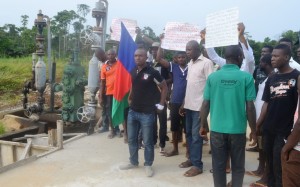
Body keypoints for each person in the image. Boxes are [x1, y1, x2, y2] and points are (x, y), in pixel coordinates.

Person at [200, 44, 256, 187]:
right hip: (237, 130)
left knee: (218, 166)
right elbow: (250, 107)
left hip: (217, 130)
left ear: (225, 58)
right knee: (238, 166)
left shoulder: (213, 77)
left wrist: (202, 126)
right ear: (239, 57)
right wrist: (254, 131)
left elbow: (205, 104)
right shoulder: (246, 77)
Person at [119, 48, 167, 177]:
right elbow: (134, 86)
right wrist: (130, 97)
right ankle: (133, 162)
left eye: (140, 56)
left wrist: (161, 104)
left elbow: (164, 87)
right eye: (135, 56)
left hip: (147, 113)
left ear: (146, 57)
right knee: (132, 139)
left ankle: (148, 165)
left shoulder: (152, 72)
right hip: (133, 112)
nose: (137, 58)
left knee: (148, 141)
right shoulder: (133, 71)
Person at [256, 44, 300, 187]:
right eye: (272, 55)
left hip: (285, 131)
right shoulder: (272, 78)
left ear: (286, 57)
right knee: (270, 165)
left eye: (276, 56)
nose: (272, 58)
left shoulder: (296, 77)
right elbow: (266, 104)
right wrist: (258, 124)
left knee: (279, 165)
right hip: (269, 129)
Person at [178, 40, 214, 177]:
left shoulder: (207, 63)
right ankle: (191, 159)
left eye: (189, 49)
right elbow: (190, 86)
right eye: (186, 49)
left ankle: (197, 165)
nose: (187, 52)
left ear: (197, 49)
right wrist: (183, 104)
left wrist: (207, 106)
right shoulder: (190, 64)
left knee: (196, 136)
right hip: (189, 105)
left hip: (200, 107)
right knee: (188, 135)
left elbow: (211, 85)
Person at [247, 54, 274, 187]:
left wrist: (259, 123)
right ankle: (260, 169)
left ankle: (266, 177)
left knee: (266, 149)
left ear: (266, 63)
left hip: (265, 119)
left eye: (261, 62)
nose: (259, 65)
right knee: (261, 148)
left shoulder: (273, 77)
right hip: (260, 118)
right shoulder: (267, 78)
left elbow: (268, 103)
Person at [156, 49, 188, 157]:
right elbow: (159, 59)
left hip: (188, 101)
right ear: (176, 59)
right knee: (174, 127)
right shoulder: (173, 67)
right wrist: (161, 43)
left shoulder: (191, 67)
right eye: (179, 57)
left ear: (186, 58)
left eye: (183, 57)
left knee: (187, 128)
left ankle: (188, 150)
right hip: (175, 101)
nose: (181, 59)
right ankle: (175, 149)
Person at [148, 42, 171, 153]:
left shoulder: (166, 64)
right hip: (151, 97)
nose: (154, 51)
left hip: (162, 96)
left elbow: (171, 79)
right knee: (152, 122)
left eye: (156, 49)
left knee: (162, 122)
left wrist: (161, 83)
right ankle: (153, 141)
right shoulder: (149, 64)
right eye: (152, 49)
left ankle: (162, 144)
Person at [99, 49, 121, 139]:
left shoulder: (120, 65)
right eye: (109, 54)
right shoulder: (104, 67)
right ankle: (112, 130)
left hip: (119, 92)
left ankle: (118, 129)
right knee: (110, 112)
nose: (110, 56)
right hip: (109, 93)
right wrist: (100, 96)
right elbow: (102, 82)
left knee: (119, 111)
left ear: (115, 55)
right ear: (106, 55)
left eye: (112, 54)